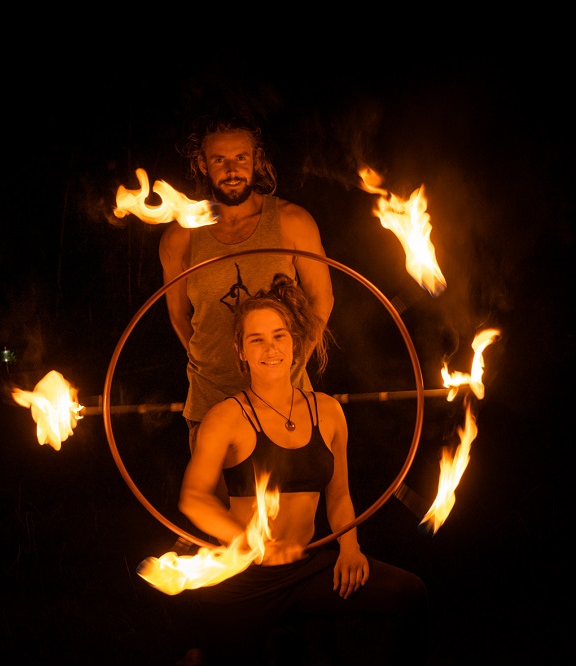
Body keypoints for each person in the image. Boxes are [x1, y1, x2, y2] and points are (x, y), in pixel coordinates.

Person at [177, 274, 429, 665]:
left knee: (408, 592)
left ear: (295, 342)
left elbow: (339, 494)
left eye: (279, 336)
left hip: (308, 567)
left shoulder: (327, 411)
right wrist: (252, 544)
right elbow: (193, 499)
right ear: (240, 350)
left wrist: (349, 547)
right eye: (256, 339)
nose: (270, 348)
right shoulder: (225, 418)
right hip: (245, 575)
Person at [158, 115, 335, 506]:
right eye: (219, 159)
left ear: (256, 159)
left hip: (285, 395)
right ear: (202, 164)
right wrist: (211, 364)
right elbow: (177, 314)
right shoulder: (180, 238)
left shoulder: (292, 222)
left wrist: (292, 364)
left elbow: (322, 300)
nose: (232, 168)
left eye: (240, 157)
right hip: (211, 397)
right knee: (221, 516)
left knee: (290, 518)